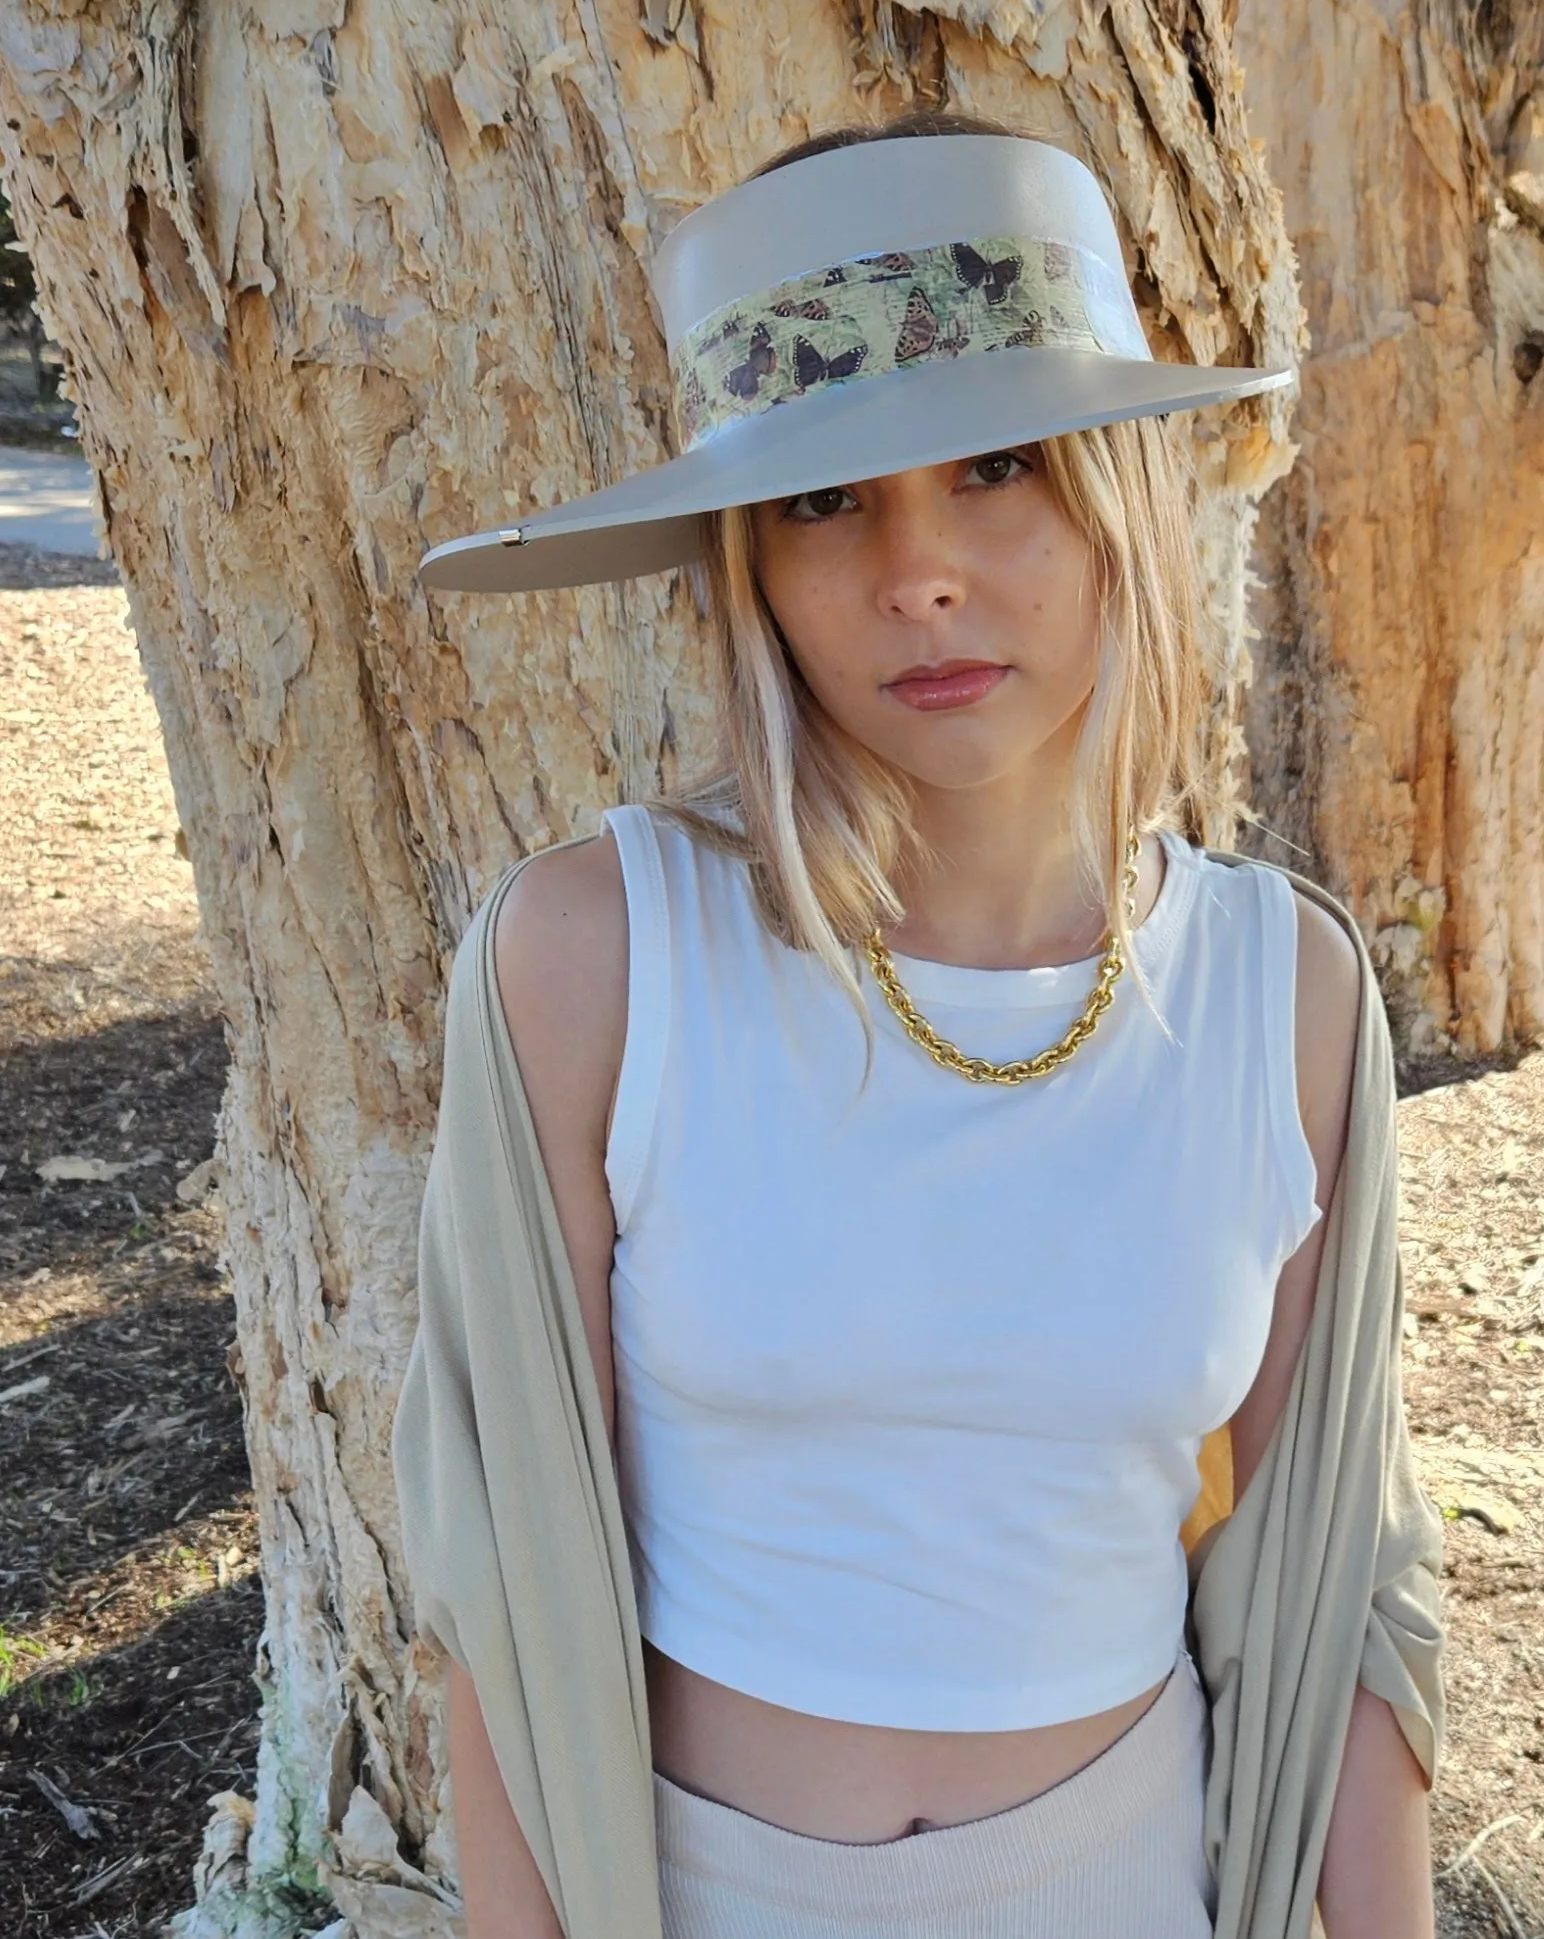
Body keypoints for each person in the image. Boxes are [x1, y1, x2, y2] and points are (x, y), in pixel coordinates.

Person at [391, 110, 1445, 1939]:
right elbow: (505, 1565)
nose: (920, 571)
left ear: (1119, 491)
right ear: (747, 567)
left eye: (998, 468)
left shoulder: (1287, 997)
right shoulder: (594, 960)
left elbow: (1338, 1588)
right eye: (824, 498)